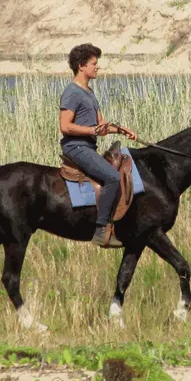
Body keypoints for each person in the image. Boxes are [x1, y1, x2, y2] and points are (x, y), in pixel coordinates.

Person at [59, 43, 137, 248]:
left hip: (88, 147)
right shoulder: (72, 92)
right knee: (112, 177)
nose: (97, 67)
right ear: (81, 66)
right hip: (76, 147)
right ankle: (101, 229)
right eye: (94, 63)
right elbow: (65, 126)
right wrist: (92, 131)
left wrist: (120, 130)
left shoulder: (89, 92)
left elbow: (100, 125)